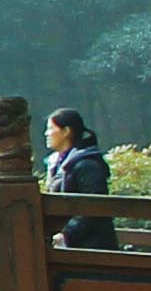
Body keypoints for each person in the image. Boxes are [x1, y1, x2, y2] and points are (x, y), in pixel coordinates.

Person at [43, 107, 115, 252]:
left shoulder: (86, 164)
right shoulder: (57, 164)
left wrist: (66, 234)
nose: (46, 133)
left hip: (91, 247)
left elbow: (94, 207)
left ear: (66, 131)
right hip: (70, 246)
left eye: (51, 128)